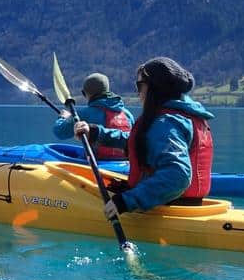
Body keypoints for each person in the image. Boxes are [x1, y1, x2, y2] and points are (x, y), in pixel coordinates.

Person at [74, 57, 214, 220]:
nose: (138, 92)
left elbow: (178, 175)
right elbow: (143, 143)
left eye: (139, 86)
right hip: (185, 202)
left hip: (167, 205)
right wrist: (96, 133)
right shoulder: (181, 116)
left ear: (155, 88)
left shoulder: (166, 123)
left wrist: (126, 201)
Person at [53, 72, 134, 159]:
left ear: (85, 94)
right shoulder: (128, 114)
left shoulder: (84, 113)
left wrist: (62, 118)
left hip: (97, 165)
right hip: (123, 165)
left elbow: (59, 132)